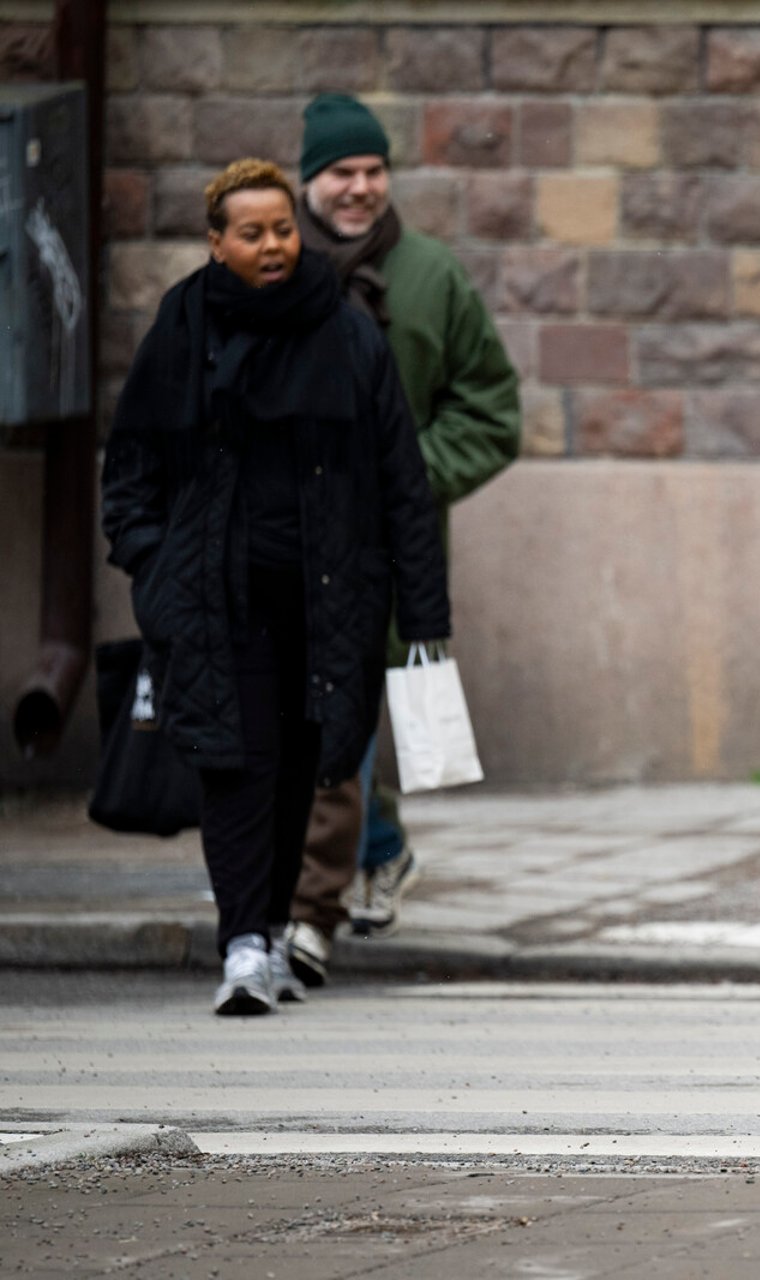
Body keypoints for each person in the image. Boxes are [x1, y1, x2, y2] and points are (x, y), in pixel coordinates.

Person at [101, 159, 449, 1015]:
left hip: (327, 601)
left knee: (305, 768)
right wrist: (156, 561)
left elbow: (401, 478)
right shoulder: (185, 329)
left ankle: (275, 930)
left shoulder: (346, 330)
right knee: (236, 768)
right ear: (217, 243)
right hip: (218, 600)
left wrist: (424, 610)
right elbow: (133, 463)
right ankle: (244, 944)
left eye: (282, 229)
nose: (271, 246)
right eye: (250, 233)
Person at [284, 94, 521, 987]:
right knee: (308, 720)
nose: (359, 188)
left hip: (390, 549)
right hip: (287, 542)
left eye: (373, 172)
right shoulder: (269, 265)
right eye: (342, 173)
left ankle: (323, 893)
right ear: (310, 179)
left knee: (348, 718)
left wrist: (403, 475)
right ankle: (370, 852)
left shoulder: (431, 277)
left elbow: (493, 413)